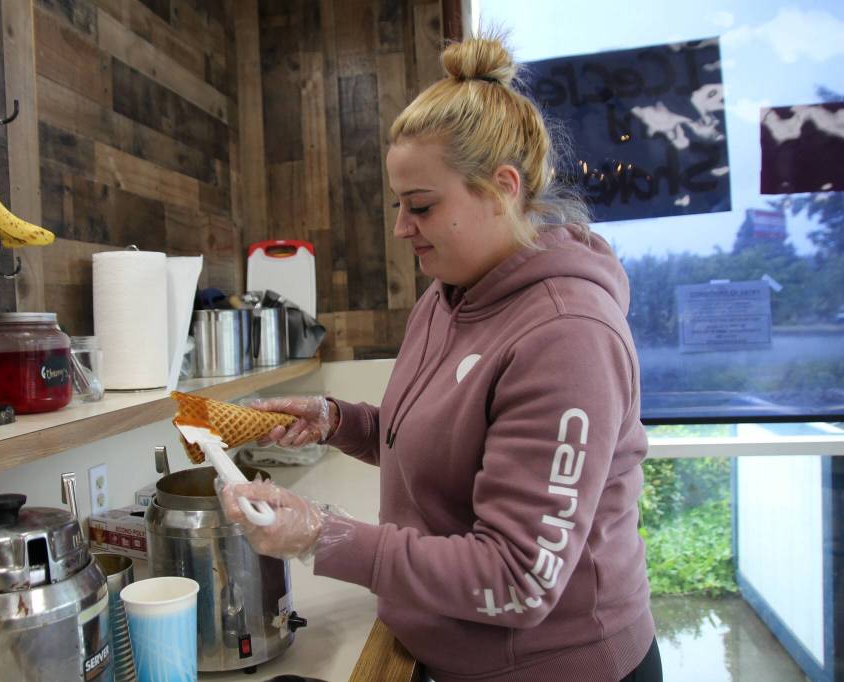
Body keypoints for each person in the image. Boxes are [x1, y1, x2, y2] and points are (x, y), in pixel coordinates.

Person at [220, 35, 663, 682]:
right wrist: (338, 421)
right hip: (447, 649)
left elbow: (519, 579)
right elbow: (440, 439)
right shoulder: (448, 296)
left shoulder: (568, 337)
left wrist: (324, 536)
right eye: (399, 204)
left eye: (421, 205)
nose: (402, 227)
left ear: (503, 189)